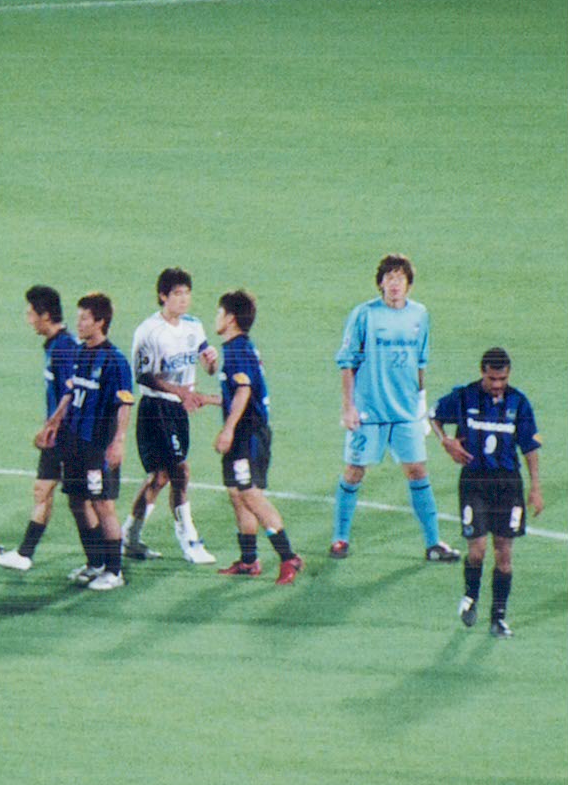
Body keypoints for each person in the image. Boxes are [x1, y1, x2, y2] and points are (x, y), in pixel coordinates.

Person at [332, 254, 459, 562]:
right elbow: (347, 363)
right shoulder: (364, 314)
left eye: (400, 278)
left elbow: (420, 362)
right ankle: (340, 538)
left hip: (405, 413)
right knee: (354, 472)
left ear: (408, 284)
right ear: (380, 283)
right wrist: (348, 408)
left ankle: (433, 543)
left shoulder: (420, 315)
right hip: (369, 412)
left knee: (417, 470)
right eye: (389, 277)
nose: (394, 283)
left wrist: (422, 405)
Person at [430, 348, 543, 637]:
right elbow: (433, 415)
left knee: (504, 554)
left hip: (508, 485)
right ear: (482, 372)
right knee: (477, 551)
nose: (497, 385)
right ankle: (471, 597)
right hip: (474, 482)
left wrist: (535, 487)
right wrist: (446, 441)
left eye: (502, 379)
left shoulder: (518, 402)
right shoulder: (464, 396)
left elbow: (530, 447)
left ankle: (498, 617)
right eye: (492, 378)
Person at [123, 268, 219, 564]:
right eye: (177, 294)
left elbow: (206, 364)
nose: (183, 299)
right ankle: (189, 540)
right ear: (162, 296)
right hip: (156, 408)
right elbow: (143, 375)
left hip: (178, 409)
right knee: (180, 472)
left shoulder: (194, 326)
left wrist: (211, 363)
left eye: (187, 293)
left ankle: (129, 536)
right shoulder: (149, 331)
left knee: (161, 477)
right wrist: (180, 391)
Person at [211, 291, 303, 585]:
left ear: (230, 318)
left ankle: (288, 556)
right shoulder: (238, 348)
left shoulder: (237, 350)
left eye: (219, 312)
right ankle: (249, 560)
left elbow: (244, 391)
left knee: (249, 493)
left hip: (247, 434)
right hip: (245, 431)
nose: (216, 318)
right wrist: (208, 399)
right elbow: (241, 393)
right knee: (236, 493)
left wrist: (227, 429)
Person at [0, 286, 80, 572]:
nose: (28, 320)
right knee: (43, 490)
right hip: (56, 433)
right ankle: (25, 554)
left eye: (31, 314)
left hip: (68, 434)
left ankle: (105, 561)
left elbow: (72, 393)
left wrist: (51, 425)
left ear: (46, 315)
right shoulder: (54, 345)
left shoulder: (65, 347)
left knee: (85, 502)